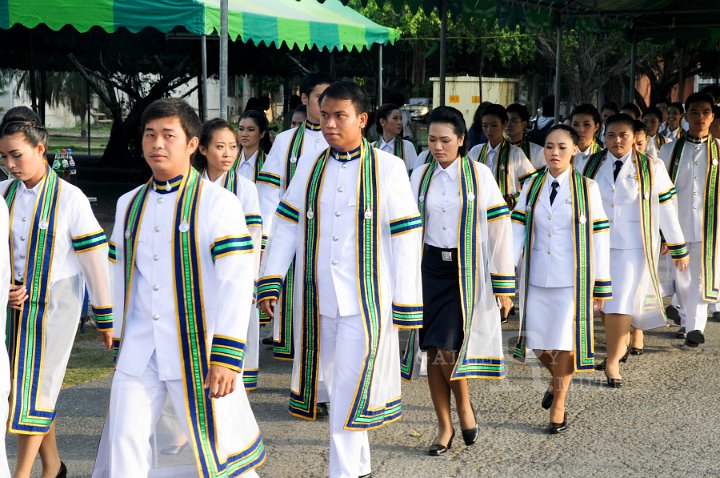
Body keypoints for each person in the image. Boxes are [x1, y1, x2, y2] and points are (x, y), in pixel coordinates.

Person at [258, 81, 423, 478]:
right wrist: (271, 277)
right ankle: (359, 467)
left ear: (362, 120)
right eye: (325, 115)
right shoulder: (312, 163)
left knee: (351, 384)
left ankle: (344, 471)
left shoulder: (388, 167)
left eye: (340, 116)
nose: (330, 124)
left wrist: (406, 300)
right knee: (332, 385)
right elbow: (286, 220)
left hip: (365, 300)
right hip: (316, 298)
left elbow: (406, 235)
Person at [92, 98, 264, 477]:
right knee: (125, 441)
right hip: (139, 349)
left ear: (191, 144)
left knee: (218, 448)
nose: (157, 144)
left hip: (198, 350)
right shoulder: (128, 203)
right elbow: (118, 271)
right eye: (150, 135)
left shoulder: (219, 203)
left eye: (168, 135)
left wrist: (227, 353)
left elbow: (236, 282)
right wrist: (112, 324)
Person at [0, 107, 113, 478]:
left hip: (56, 307)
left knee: (36, 391)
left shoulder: (70, 197)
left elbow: (96, 261)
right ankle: (53, 465)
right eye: (3, 157)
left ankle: (22, 476)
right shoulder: (3, 194)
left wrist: (104, 314)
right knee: (21, 392)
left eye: (17, 155)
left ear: (41, 147)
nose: (10, 165)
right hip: (12, 308)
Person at [408, 106, 513, 454]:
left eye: (445, 140)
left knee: (449, 346)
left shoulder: (479, 174)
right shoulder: (420, 175)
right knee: (432, 349)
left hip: (463, 272)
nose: (438, 147)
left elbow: (500, 229)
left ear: (462, 140)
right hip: (428, 270)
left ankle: (464, 405)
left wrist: (503, 285)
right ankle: (444, 425)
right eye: (432, 140)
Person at [577, 114, 688, 386]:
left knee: (620, 303)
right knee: (601, 302)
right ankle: (619, 343)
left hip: (633, 247)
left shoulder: (652, 167)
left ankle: (612, 361)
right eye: (612, 135)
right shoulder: (589, 164)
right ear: (603, 136)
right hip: (597, 244)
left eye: (623, 135)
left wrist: (677, 245)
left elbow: (666, 209)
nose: (617, 141)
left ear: (633, 137)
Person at [512, 125, 610, 432]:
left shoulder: (587, 187)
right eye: (550, 147)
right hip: (536, 275)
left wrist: (601, 283)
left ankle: (560, 403)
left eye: (562, 147)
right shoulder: (531, 185)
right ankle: (557, 382)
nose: (555, 153)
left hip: (572, 280)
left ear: (574, 151)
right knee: (538, 342)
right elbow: (516, 229)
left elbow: (599, 238)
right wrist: (502, 274)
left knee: (565, 342)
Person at [256, 72, 332, 366]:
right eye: (318, 99)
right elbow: (270, 195)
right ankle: (309, 373)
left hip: (330, 241)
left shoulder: (339, 138)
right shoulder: (286, 141)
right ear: (304, 99)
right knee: (300, 308)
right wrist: (265, 239)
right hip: (295, 237)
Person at [194, 117, 264, 390]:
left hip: (236, 271)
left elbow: (254, 237)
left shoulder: (244, 187)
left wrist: (251, 279)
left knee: (233, 330)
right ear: (202, 149)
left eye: (233, 147)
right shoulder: (192, 185)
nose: (227, 154)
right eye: (220, 146)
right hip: (201, 271)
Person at [658, 93, 719, 347]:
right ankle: (685, 320)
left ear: (712, 116)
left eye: (705, 112)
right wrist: (662, 231)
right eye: (694, 112)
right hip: (677, 224)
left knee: (700, 277)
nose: (700, 118)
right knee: (681, 277)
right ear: (686, 116)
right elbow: (660, 191)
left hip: (711, 225)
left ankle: (695, 327)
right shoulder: (670, 149)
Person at [467, 104, 535, 208]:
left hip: (507, 213)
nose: (489, 130)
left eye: (494, 125)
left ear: (504, 124)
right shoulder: (476, 151)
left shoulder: (516, 153)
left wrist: (514, 199)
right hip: (480, 211)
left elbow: (532, 183)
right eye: (485, 126)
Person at [372, 103, 419, 172]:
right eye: (395, 118)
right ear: (382, 122)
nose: (400, 122)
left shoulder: (407, 146)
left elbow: (414, 174)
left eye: (400, 118)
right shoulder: (372, 147)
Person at [236, 109, 271, 184]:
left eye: (251, 130)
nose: (244, 134)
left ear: (262, 133)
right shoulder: (230, 162)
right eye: (241, 129)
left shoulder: (269, 164)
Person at [506, 103, 545, 169]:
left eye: (514, 121)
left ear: (524, 124)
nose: (508, 124)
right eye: (506, 120)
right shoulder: (498, 149)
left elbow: (542, 176)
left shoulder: (537, 152)